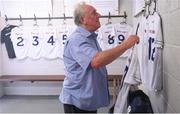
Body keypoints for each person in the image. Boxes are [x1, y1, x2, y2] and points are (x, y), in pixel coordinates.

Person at [59, 2, 139, 113]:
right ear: (83, 20)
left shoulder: (90, 38)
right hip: (77, 102)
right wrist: (126, 44)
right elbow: (97, 61)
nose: (99, 15)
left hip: (86, 101)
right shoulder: (77, 39)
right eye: (94, 13)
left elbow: (101, 59)